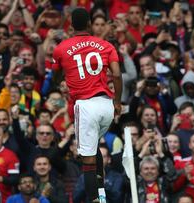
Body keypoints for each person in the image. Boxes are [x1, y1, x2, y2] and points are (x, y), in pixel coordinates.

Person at [51, 8, 122, 203]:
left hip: (85, 106)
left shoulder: (61, 48)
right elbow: (116, 74)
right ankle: (100, 185)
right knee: (95, 142)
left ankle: (94, 199)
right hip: (106, 105)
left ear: (71, 26)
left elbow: (55, 74)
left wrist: (61, 78)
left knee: (87, 159)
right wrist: (117, 100)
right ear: (90, 25)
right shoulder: (106, 45)